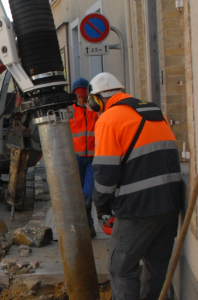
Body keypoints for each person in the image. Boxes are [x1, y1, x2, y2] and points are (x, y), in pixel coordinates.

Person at [89, 72, 183, 300]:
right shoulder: (155, 112)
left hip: (138, 208)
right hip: (171, 203)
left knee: (121, 268)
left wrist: (101, 208)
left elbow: (105, 173)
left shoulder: (109, 120)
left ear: (98, 100)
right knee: (156, 266)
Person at [69, 77, 99, 238]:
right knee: (80, 196)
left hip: (93, 158)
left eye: (83, 95)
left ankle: (88, 225)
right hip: (78, 158)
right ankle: (87, 227)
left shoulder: (95, 109)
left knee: (87, 194)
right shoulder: (70, 111)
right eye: (78, 95)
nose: (81, 98)